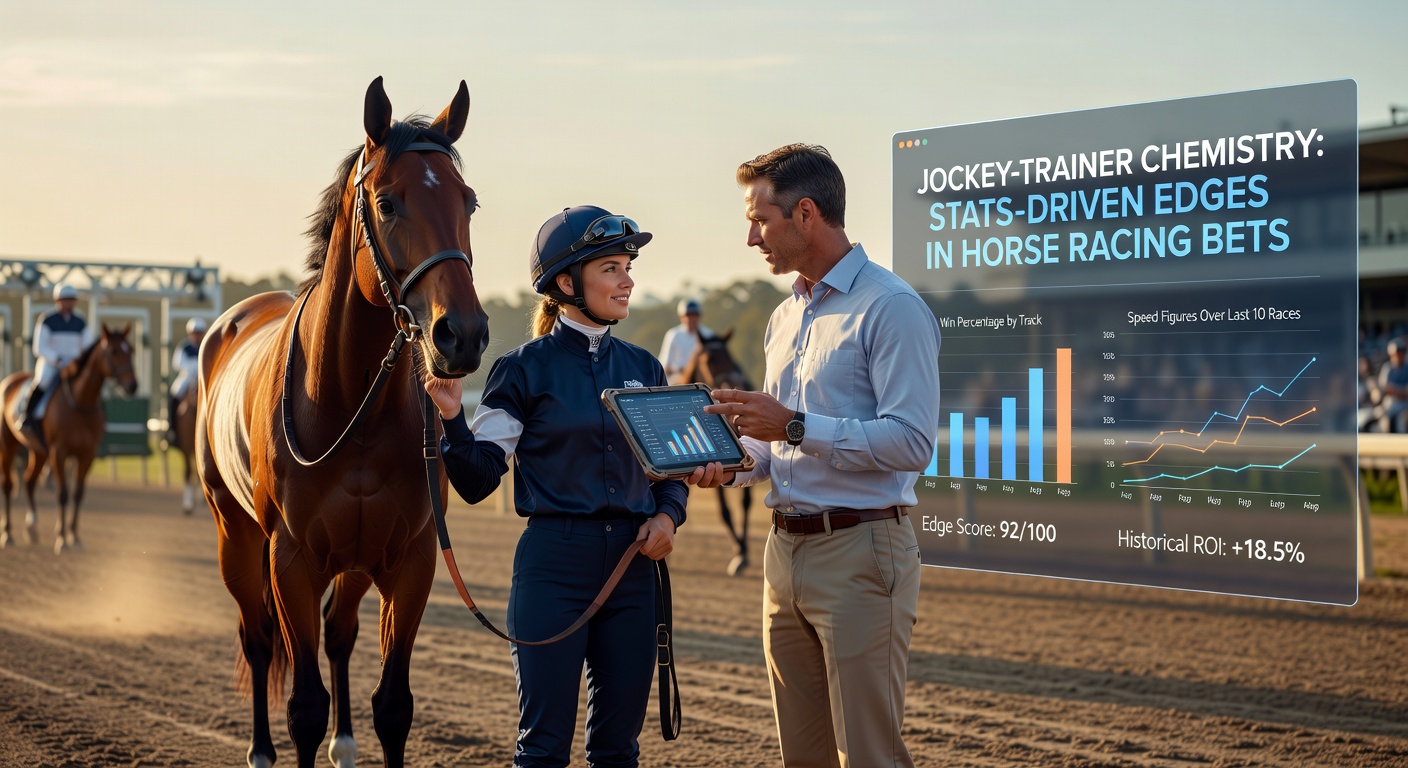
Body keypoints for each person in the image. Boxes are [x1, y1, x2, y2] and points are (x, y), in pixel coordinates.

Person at [691, 143, 940, 768]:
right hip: (784, 554)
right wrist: (734, 462)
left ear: (805, 214)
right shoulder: (783, 316)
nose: (751, 237)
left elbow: (912, 442)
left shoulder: (892, 308)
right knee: (802, 758)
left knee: (869, 757)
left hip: (862, 555)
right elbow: (774, 446)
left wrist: (796, 426)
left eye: (760, 218)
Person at [424, 205, 686, 768]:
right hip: (552, 569)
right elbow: (476, 480)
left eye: (627, 266)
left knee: (618, 750)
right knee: (542, 750)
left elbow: (671, 477)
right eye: (611, 268)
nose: (627, 280)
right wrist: (451, 419)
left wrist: (667, 518)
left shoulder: (646, 366)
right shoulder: (521, 370)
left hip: (634, 571)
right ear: (567, 283)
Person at [20, 283, 92, 436]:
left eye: (71, 299)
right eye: (65, 299)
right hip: (51, 364)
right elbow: (39, 347)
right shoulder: (47, 320)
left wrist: (77, 360)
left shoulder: (80, 321)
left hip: (73, 365)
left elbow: (87, 345)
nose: (69, 303)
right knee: (43, 381)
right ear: (57, 300)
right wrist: (57, 359)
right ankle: (27, 415)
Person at [167, 317, 207, 444]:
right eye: (194, 333)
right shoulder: (184, 347)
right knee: (174, 393)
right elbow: (177, 364)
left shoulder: (206, 346)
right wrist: (191, 371)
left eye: (199, 333)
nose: (196, 336)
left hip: (203, 378)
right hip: (187, 378)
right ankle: (171, 429)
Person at [659, 298, 713, 385]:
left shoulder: (708, 334)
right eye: (688, 315)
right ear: (681, 317)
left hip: (703, 378)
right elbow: (666, 363)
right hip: (678, 377)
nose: (692, 318)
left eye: (695, 315)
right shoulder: (673, 335)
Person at [1379, 340, 1408, 433]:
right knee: (1384, 423)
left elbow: (1406, 393)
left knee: (1402, 423)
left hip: (1405, 404)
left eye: (1400, 353)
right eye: (1395, 354)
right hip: (1390, 403)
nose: (1398, 356)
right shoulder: (1388, 368)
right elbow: (1384, 388)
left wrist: (1394, 390)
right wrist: (1399, 391)